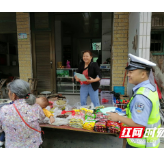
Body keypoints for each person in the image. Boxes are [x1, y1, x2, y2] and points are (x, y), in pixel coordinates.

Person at [107, 53, 161, 148]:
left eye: (131, 72)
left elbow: (139, 124)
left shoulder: (142, 96)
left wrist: (118, 118)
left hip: (140, 144)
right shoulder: (150, 88)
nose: (128, 75)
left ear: (143, 74)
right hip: (149, 141)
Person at [0, 79, 46, 148]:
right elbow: (42, 118)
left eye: (9, 91)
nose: (8, 93)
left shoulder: (4, 110)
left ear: (14, 95)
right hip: (33, 145)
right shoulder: (36, 107)